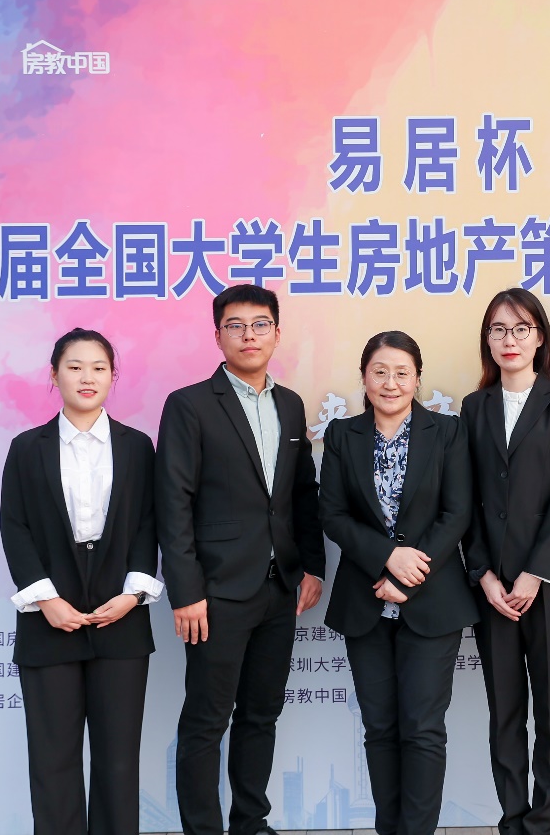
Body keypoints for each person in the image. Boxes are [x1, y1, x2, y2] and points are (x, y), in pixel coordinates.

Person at [156, 284, 325, 835]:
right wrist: (186, 592)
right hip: (216, 593)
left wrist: (312, 566)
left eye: (259, 324)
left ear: (276, 333)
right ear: (218, 336)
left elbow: (301, 494)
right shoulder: (189, 405)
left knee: (261, 715)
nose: (248, 335)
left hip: (278, 588)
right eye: (235, 325)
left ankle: (250, 822)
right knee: (206, 721)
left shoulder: (290, 405)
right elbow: (173, 504)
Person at [0, 328, 163, 835]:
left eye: (98, 367)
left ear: (113, 376)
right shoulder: (27, 448)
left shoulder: (138, 447)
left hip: (121, 618)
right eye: (74, 367)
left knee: (119, 760)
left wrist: (133, 595)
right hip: (49, 620)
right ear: (54, 375)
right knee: (53, 760)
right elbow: (15, 526)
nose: (86, 377)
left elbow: (150, 523)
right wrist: (46, 601)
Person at [320, 331, 477, 835]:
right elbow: (333, 514)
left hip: (432, 601)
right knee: (380, 728)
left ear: (417, 379)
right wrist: (387, 558)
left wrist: (410, 576)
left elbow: (457, 513)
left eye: (402, 373)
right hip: (365, 601)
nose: (391, 383)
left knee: (423, 729)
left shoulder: (447, 431)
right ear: (364, 377)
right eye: (380, 372)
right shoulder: (343, 435)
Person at [461, 288, 550, 835]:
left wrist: (535, 573)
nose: (508, 339)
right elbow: (465, 501)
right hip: (493, 586)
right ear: (487, 340)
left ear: (540, 337)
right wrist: (484, 575)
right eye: (498, 329)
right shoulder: (474, 407)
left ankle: (545, 825)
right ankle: (512, 820)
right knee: (505, 710)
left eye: (520, 329)